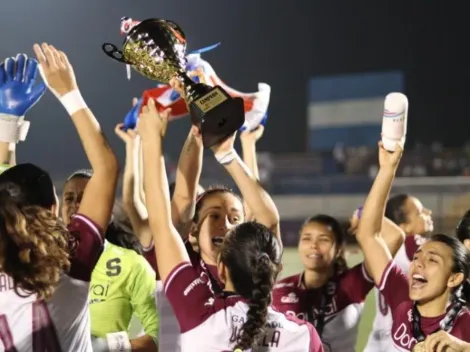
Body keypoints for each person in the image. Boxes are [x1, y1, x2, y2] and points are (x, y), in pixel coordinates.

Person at [135, 97, 324, 351]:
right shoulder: (304, 335)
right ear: (273, 269)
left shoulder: (201, 315)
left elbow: (161, 222)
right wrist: (225, 153)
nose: (225, 225)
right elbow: (268, 219)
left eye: (235, 219)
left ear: (222, 268)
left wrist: (151, 140)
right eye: (214, 215)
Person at [0, 43, 119, 351]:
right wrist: (69, 92)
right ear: (53, 208)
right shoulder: (70, 258)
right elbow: (105, 168)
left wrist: (7, 122)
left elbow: (8, 199)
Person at [356, 141, 470, 351]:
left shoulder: (464, 323)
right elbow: (368, 235)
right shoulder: (402, 297)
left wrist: (464, 348)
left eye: (432, 260)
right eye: (417, 257)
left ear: (454, 278)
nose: (418, 263)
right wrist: (387, 169)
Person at [272, 213, 405, 352]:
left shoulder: (352, 284)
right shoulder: (280, 289)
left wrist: (362, 213)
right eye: (306, 238)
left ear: (338, 248)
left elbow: (394, 237)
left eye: (323, 239)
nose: (313, 245)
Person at [61, 169, 159, 351]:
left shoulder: (131, 264)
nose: (75, 205)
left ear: (104, 207)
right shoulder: (43, 262)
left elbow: (160, 333)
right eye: (69, 198)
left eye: (85, 198)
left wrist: (108, 347)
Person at [364, 194, 433, 352]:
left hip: (378, 338)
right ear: (403, 227)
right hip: (402, 338)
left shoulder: (383, 249)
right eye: (419, 212)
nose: (428, 212)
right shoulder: (411, 243)